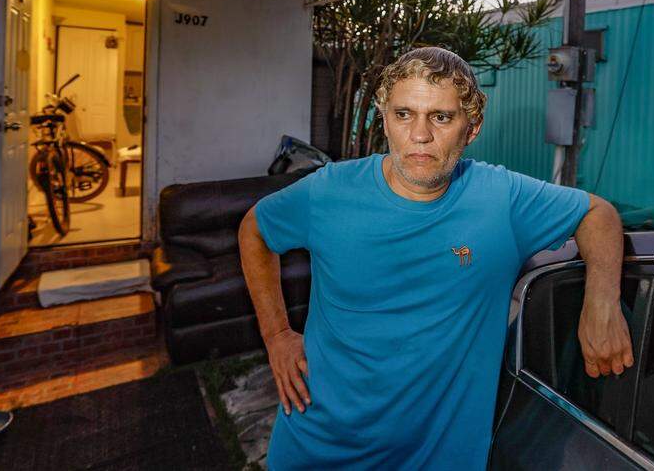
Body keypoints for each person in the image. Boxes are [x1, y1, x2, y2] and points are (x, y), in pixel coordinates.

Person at [238, 47, 633, 469]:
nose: (420, 134)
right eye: (404, 114)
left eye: (441, 117)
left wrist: (602, 301)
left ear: (472, 128)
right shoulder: (328, 192)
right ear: (385, 120)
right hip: (315, 452)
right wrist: (277, 334)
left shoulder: (501, 200)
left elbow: (598, 214)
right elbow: (255, 231)